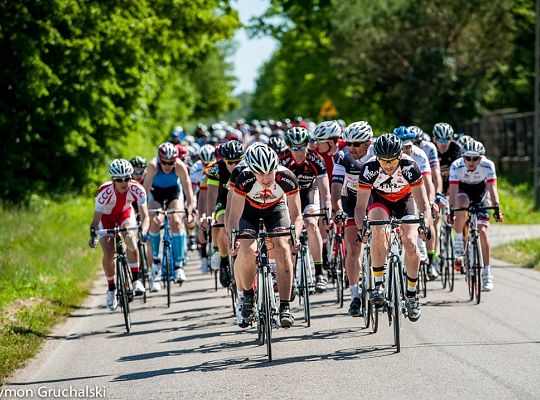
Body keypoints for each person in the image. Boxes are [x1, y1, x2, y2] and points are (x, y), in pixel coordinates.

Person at [354, 134, 432, 322]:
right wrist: (361, 228)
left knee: (411, 243)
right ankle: (378, 284)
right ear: (377, 158)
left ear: (400, 156)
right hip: (380, 201)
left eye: (392, 161)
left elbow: (424, 204)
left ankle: (412, 295)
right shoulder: (369, 168)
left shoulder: (410, 166)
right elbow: (359, 207)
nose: (388, 165)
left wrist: (426, 224)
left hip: (406, 200)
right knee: (378, 230)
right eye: (384, 161)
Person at [227, 145, 303, 329]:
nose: (266, 178)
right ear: (252, 171)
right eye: (260, 174)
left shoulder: (287, 177)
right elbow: (234, 216)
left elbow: (297, 215)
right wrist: (231, 240)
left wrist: (296, 237)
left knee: (283, 247)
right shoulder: (242, 177)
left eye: (270, 172)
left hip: (276, 210)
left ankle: (284, 306)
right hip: (248, 212)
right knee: (247, 251)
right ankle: (248, 297)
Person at [89, 159, 150, 310]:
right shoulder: (104, 193)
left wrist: (144, 232)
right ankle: (111, 289)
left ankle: (136, 280)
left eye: (127, 179)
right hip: (106, 219)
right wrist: (93, 236)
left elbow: (145, 217)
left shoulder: (138, 189)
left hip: (125, 215)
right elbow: (95, 221)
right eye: (119, 180)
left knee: (130, 239)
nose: (123, 183)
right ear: (113, 180)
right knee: (109, 255)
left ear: (131, 177)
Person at [280, 127, 332, 292]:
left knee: (311, 222)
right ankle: (291, 274)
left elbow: (324, 190)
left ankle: (319, 272)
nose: (299, 151)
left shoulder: (315, 159)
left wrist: (327, 209)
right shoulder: (282, 160)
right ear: (288, 147)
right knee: (288, 230)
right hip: (288, 195)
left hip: (309, 191)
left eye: (302, 147)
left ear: (308, 145)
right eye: (294, 148)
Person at [448, 140, 503, 291]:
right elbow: (452, 191)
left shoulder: (488, 165)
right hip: (463, 190)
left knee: (483, 232)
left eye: (475, 158)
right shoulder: (456, 165)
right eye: (468, 158)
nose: (471, 162)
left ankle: (487, 273)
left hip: (480, 193)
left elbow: (492, 189)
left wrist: (497, 208)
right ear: (463, 157)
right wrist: (451, 210)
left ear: (481, 158)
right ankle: (459, 239)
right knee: (462, 204)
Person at [331, 121, 374, 316]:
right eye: (348, 143)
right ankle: (355, 295)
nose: (351, 148)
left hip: (375, 198)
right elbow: (336, 187)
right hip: (350, 200)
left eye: (356, 144)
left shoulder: (377, 154)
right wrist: (337, 208)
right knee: (353, 247)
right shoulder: (342, 156)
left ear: (368, 143)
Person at [143, 142, 195, 289]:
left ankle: (178, 266)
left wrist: (190, 211)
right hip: (156, 192)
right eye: (164, 162)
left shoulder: (179, 166)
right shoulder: (152, 166)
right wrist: (144, 213)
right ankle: (156, 263)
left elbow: (188, 191)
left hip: (173, 192)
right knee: (155, 220)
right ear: (160, 159)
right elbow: (144, 193)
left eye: (171, 162)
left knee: (176, 220)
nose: (167, 165)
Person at [206, 140, 244, 287]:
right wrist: (210, 215)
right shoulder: (216, 169)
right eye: (230, 162)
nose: (234, 166)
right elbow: (211, 195)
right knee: (223, 224)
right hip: (223, 201)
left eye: (237, 162)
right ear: (223, 160)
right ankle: (223, 261)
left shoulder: (248, 167)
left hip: (241, 201)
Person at [191, 144, 216, 273]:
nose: (207, 165)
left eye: (209, 162)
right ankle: (204, 258)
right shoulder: (196, 169)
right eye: (204, 162)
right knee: (201, 223)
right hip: (201, 193)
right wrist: (193, 207)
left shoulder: (216, 168)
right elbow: (195, 192)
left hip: (216, 194)